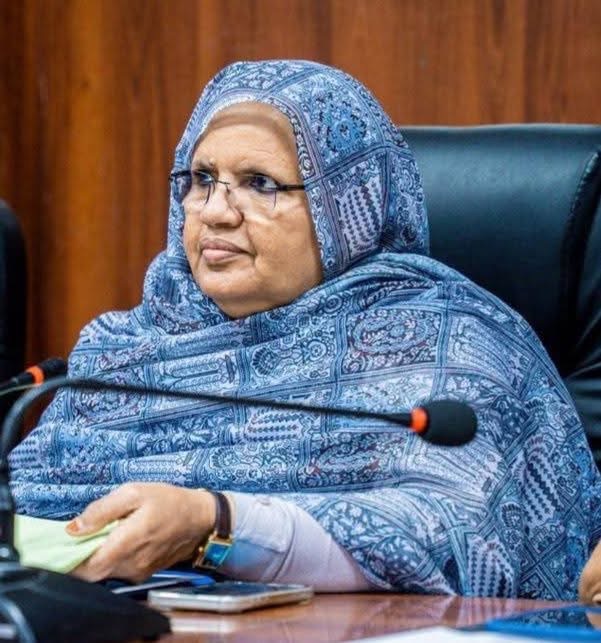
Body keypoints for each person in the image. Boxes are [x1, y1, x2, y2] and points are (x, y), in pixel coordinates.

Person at [9, 60, 601, 599]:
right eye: (202, 178)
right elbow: (26, 512)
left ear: (347, 207)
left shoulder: (454, 346)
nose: (215, 211)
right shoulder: (125, 351)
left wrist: (218, 524)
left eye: (260, 183)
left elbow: (452, 539)